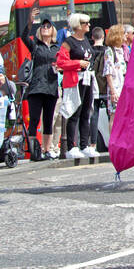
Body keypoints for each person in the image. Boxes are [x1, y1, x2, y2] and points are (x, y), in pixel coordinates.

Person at [56, 12, 96, 159]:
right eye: (86, 23)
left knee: (86, 111)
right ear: (78, 25)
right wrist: (77, 63)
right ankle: (72, 146)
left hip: (87, 78)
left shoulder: (85, 40)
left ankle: (85, 145)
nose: (89, 25)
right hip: (74, 79)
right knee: (74, 112)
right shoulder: (68, 42)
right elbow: (60, 62)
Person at [22, 12, 59, 160]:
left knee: (49, 120)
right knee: (35, 119)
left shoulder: (57, 48)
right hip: (37, 87)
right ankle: (34, 151)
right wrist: (30, 21)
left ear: (52, 30)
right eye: (42, 26)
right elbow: (24, 37)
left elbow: (63, 63)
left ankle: (46, 149)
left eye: (48, 26)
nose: (45, 28)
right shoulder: (35, 46)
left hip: (51, 86)